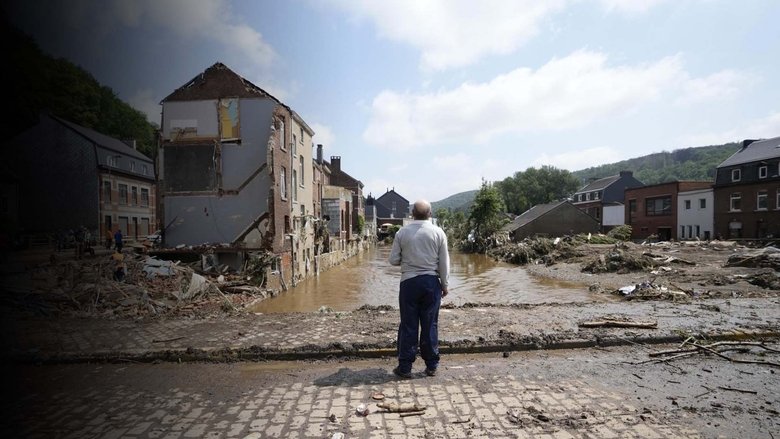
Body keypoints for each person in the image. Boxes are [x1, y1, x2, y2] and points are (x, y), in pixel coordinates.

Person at [388, 199, 450, 379]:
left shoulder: (402, 232)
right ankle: (431, 366)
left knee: (408, 324)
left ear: (412, 214)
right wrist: (444, 285)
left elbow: (393, 260)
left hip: (409, 283)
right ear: (430, 214)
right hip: (431, 283)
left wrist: (407, 259)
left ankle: (405, 367)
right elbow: (444, 262)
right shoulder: (438, 232)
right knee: (430, 324)